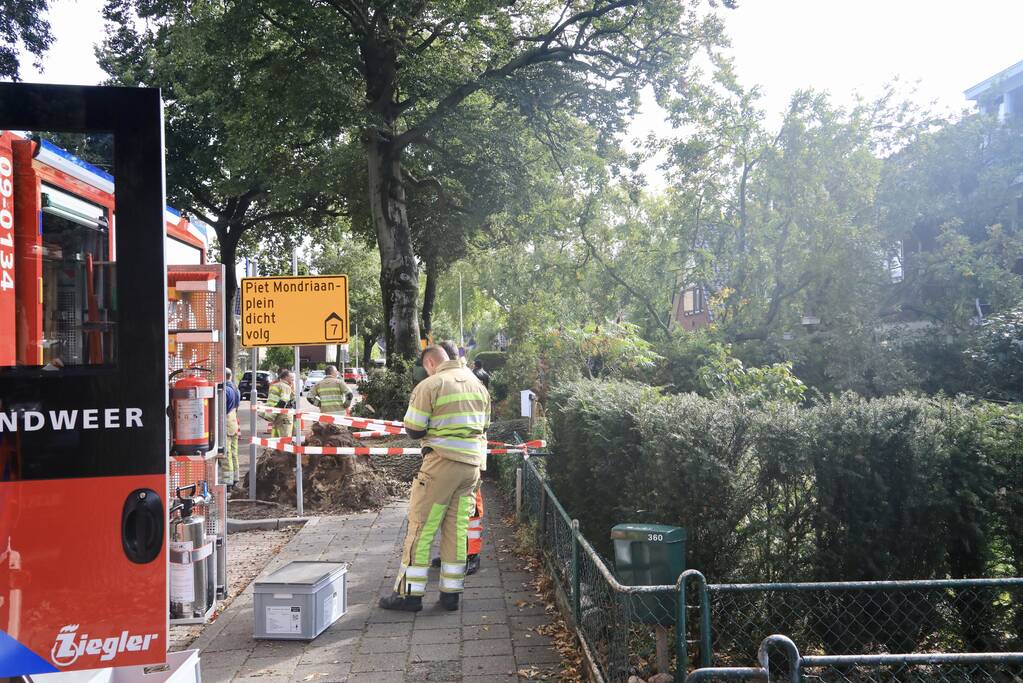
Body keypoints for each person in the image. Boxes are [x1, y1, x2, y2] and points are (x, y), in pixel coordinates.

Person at [379, 345, 490, 612]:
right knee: (455, 530)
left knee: (423, 527)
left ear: (430, 363)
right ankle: (451, 595)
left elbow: (415, 429)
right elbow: (484, 426)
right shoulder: (478, 385)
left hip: (441, 465)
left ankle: (410, 595)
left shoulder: (431, 384)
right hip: (471, 469)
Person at [433, 341, 486, 575]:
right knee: (452, 510)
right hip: (457, 460)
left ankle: (472, 555)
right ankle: (454, 554)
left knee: (470, 510)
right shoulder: (464, 381)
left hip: (466, 460)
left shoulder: (468, 381)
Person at [222, 368, 241, 490]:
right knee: (234, 452)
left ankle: (227, 482)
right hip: (234, 421)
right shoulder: (236, 389)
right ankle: (235, 478)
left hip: (226, 422)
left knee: (226, 453)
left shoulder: (225, 391)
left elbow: (221, 408)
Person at [266, 368, 295, 438]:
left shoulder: (275, 385)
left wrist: (273, 414)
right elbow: (284, 400)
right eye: (291, 377)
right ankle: (284, 448)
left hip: (275, 414)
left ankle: (275, 448)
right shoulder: (285, 386)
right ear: (286, 377)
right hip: (284, 415)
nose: (293, 379)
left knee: (276, 435)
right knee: (286, 436)